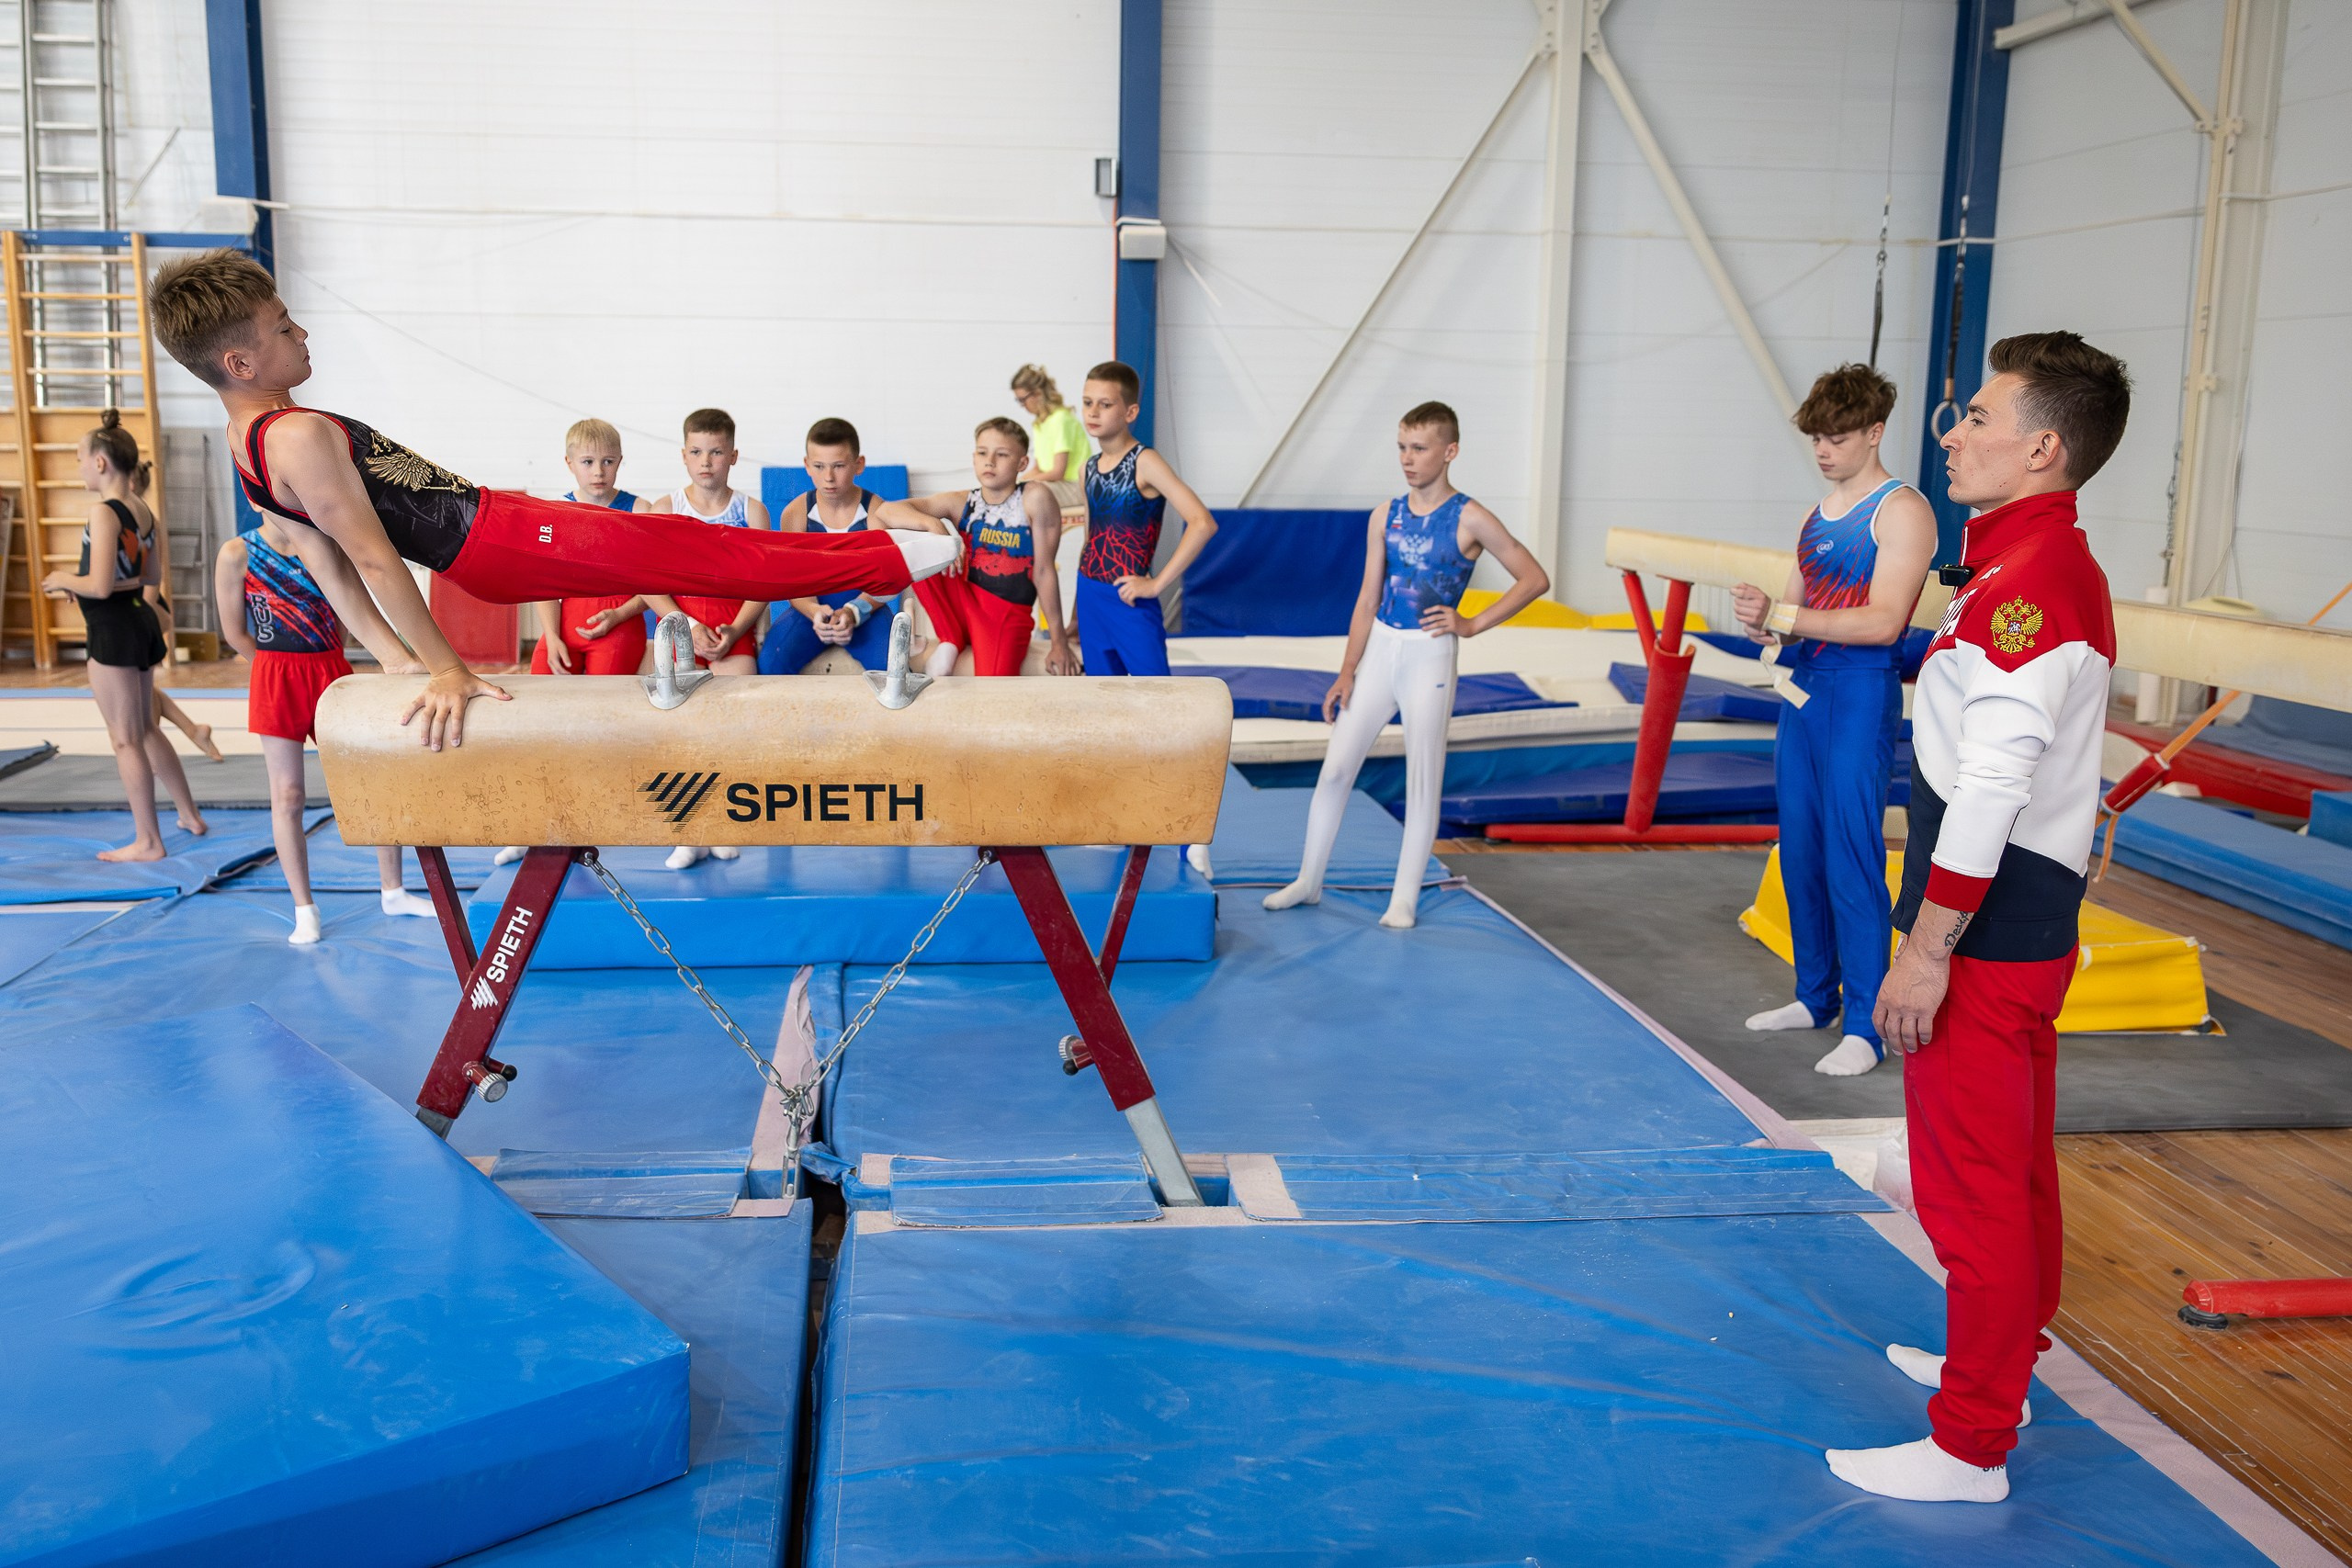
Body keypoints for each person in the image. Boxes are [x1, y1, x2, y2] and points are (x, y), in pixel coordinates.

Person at [147, 249, 957, 751]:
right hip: (506, 537)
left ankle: (886, 555)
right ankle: (892, 556)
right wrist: (444, 669)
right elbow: (363, 555)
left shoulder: (247, 440)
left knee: (691, 542)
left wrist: (393, 660)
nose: (304, 335)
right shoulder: (295, 437)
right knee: (699, 546)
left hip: (496, 540)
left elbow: (325, 559)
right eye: (285, 328)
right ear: (240, 361)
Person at [1826, 332, 2127, 1505]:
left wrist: (1923, 952)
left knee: (1973, 1186)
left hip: (1987, 929)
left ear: (2041, 447)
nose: (1951, 432)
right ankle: (1997, 1359)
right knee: (2015, 1172)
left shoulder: (2029, 592)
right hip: (2023, 910)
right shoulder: (2027, 568)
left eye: (1978, 418)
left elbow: (1994, 784)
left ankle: (1969, 1445)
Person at [1262, 401, 1548, 929]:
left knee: (1422, 780)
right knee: (1336, 768)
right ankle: (1308, 879)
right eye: (1401, 447)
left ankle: (1404, 898)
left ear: (1449, 451)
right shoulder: (1385, 515)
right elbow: (1367, 599)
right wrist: (1347, 671)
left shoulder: (1471, 517)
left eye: (1419, 448)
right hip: (1381, 652)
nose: (1407, 459)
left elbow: (1533, 578)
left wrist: (1472, 623)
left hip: (1429, 655)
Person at [1731, 365, 1936, 1077]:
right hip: (1806, 692)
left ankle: (1866, 1023)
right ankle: (1814, 996)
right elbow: (1791, 616)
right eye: (1816, 437)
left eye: (1838, 436)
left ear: (1875, 432)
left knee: (1852, 853)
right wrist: (1766, 624)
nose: (1823, 449)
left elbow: (1883, 622)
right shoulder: (1815, 514)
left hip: (1857, 695)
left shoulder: (1901, 510)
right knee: (1801, 849)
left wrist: (1786, 616)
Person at [215, 515, 439, 943]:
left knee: (372, 782)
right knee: (288, 794)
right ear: (254, 496)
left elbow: (347, 616)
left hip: (330, 672)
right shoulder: (237, 554)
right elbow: (234, 633)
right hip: (275, 676)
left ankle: (392, 890)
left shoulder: (325, 548)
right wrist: (271, 666)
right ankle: (304, 907)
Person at [40, 412, 208, 861]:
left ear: (99, 463)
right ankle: (189, 815)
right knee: (147, 726)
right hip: (137, 621)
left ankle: (148, 841)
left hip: (112, 632)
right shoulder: (140, 508)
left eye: (78, 459)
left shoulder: (103, 511)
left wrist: (63, 578)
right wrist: (96, 586)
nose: (76, 468)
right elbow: (147, 575)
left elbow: (97, 585)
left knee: (125, 738)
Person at [882, 416, 1076, 677]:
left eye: (1002, 454)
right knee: (919, 543)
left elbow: (1043, 571)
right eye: (983, 453)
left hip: (1003, 614)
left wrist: (1058, 642)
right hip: (962, 602)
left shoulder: (1034, 498)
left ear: (1022, 463)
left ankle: (957, 640)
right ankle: (950, 639)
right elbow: (889, 511)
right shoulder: (962, 501)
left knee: (992, 683)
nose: (990, 461)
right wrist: (939, 531)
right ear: (974, 458)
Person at [1072, 360, 1216, 678]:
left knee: (1154, 700)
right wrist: (1075, 614)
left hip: (1128, 598)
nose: (1093, 412)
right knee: (1102, 696)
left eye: (1105, 404)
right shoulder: (1088, 469)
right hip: (1089, 595)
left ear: (1130, 412)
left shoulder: (1145, 462)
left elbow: (1203, 523)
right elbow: (1090, 540)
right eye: (1087, 403)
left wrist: (1157, 585)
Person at [759, 418, 898, 676]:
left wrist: (855, 611)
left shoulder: (876, 512)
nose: (828, 477)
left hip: (866, 608)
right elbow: (793, 581)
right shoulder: (796, 513)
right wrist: (813, 612)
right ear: (807, 465)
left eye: (838, 466)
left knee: (894, 671)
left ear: (859, 465)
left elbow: (887, 581)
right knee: (770, 665)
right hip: (811, 609)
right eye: (819, 466)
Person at [641, 408, 770, 674]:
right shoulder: (665, 510)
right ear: (684, 456)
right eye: (697, 452)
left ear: (733, 456)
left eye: (717, 452)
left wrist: (736, 631)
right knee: (678, 701)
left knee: (736, 698)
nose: (706, 462)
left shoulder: (752, 511)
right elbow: (647, 585)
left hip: (732, 627)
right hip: (679, 622)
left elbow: (764, 586)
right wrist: (689, 625)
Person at [122, 457, 227, 763]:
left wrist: (145, 609)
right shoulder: (127, 517)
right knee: (143, 688)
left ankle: (153, 747)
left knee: (138, 689)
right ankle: (194, 731)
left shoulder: (141, 519)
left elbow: (153, 574)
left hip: (144, 608)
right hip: (138, 607)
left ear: (127, 483)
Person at [527, 417, 649, 677]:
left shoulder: (640, 511)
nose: (598, 472)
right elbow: (544, 585)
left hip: (620, 619)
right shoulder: (555, 512)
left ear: (619, 460)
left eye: (608, 461)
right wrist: (551, 636)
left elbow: (657, 585)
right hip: (566, 620)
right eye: (588, 462)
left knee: (602, 699)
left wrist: (619, 614)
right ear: (569, 463)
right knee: (541, 683)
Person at [1012, 364, 1089, 523]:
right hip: (1057, 485)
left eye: (1023, 400)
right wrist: (1015, 481)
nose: (1022, 406)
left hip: (1076, 487)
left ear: (1037, 394)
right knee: (1008, 492)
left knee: (1028, 495)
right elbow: (1039, 469)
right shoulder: (1040, 424)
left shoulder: (1061, 419)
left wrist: (1023, 483)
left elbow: (1057, 472)